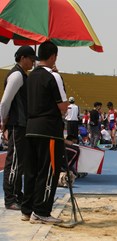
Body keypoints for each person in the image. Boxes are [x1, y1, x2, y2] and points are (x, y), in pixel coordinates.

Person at [21, 41, 68, 224]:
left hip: (30, 127)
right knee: (49, 171)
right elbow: (63, 107)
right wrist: (58, 76)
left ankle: (27, 209)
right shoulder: (53, 77)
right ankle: (41, 211)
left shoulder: (30, 76)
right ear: (54, 56)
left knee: (31, 170)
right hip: (48, 129)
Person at [1, 46, 37, 210]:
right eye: (31, 59)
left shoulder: (23, 75)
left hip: (22, 124)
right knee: (14, 162)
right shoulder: (16, 75)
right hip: (17, 124)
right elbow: (5, 101)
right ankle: (10, 198)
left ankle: (17, 193)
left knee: (19, 162)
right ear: (22, 58)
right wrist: (3, 121)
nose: (33, 62)